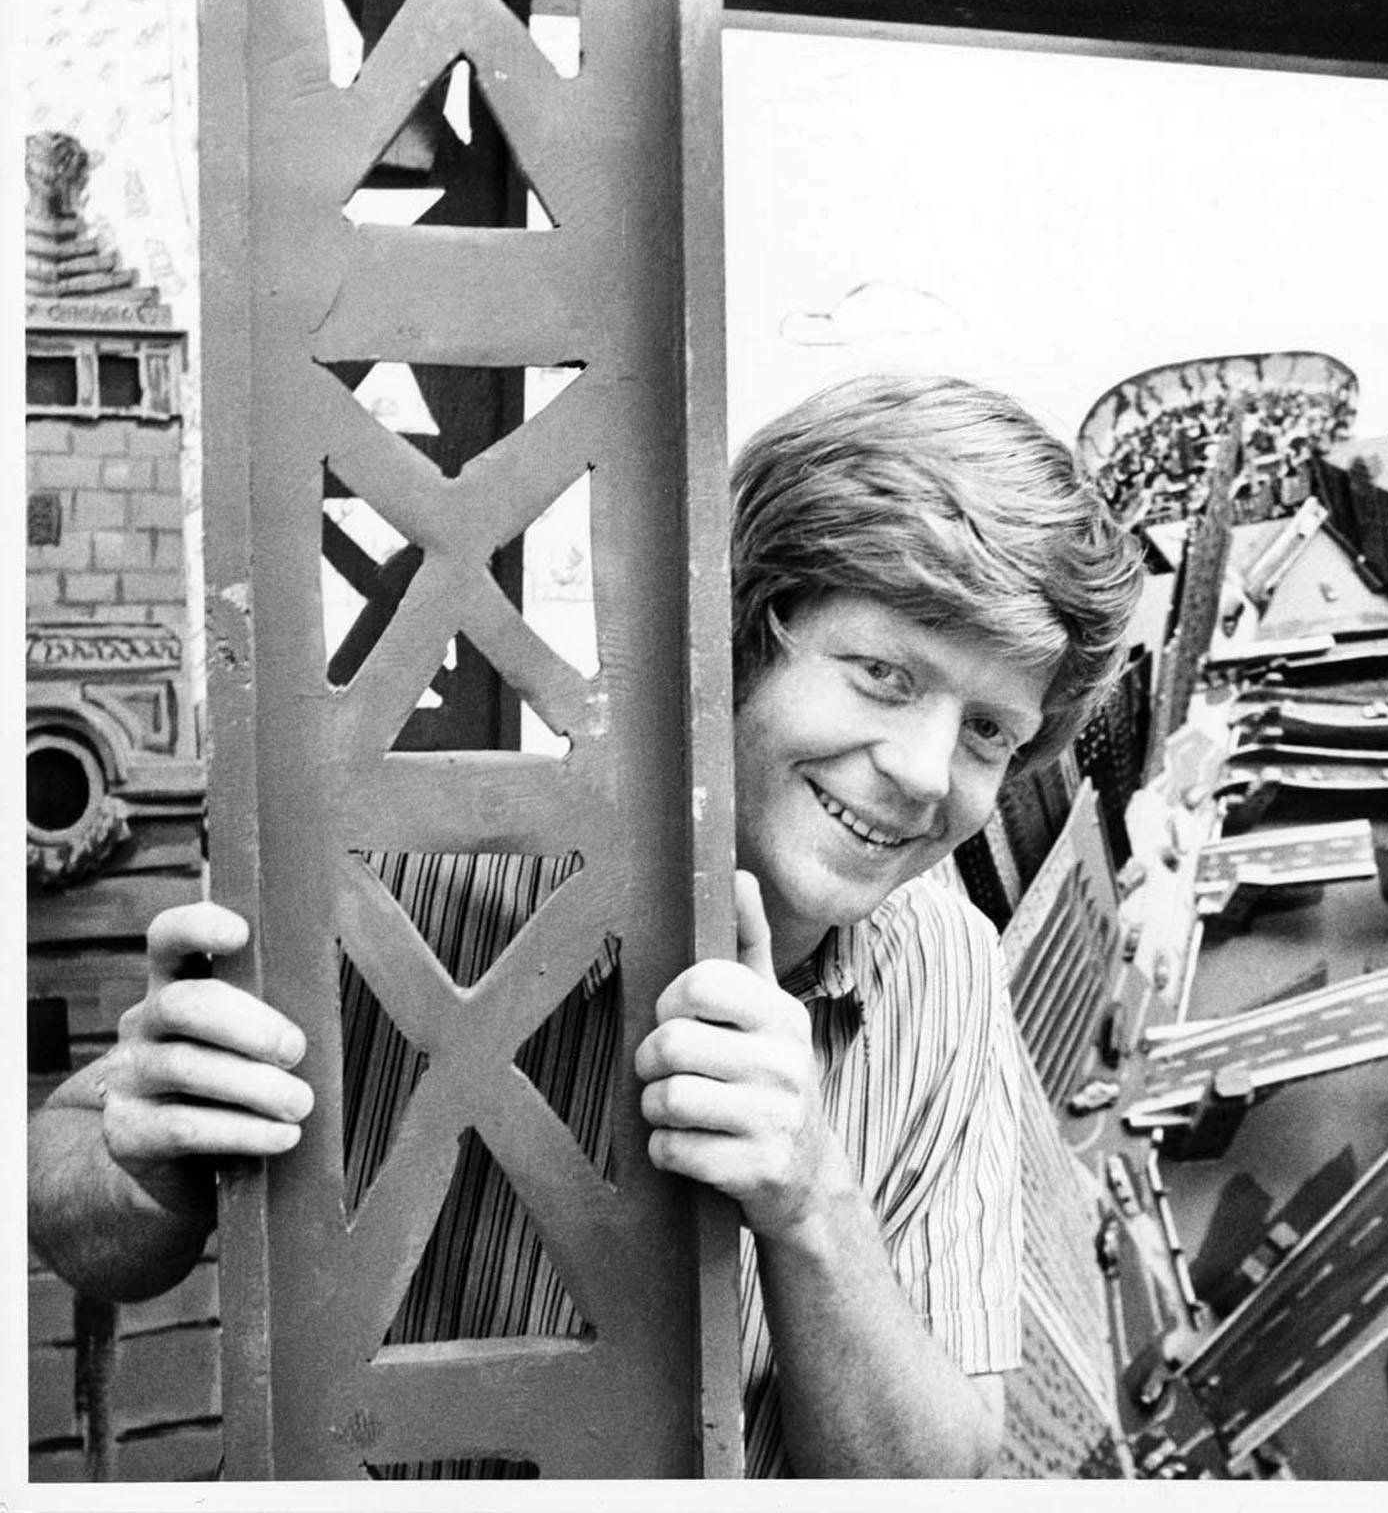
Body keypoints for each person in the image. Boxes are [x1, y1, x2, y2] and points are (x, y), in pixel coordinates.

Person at [29, 371, 1142, 1478]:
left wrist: (812, 1204)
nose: (923, 771)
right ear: (742, 639)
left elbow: (932, 1475)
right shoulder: (422, 875)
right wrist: (144, 1154)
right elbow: (78, 1202)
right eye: (884, 675)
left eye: (990, 731)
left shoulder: (949, 966)